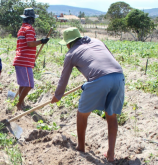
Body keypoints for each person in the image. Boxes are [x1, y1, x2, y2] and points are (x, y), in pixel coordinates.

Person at [50, 27, 125, 162]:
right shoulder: (97, 41)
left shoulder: (71, 53)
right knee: (111, 115)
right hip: (118, 76)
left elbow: (64, 78)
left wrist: (57, 96)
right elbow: (105, 61)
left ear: (68, 43)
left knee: (82, 113)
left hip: (99, 79)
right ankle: (111, 155)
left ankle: (80, 147)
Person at [13, 8, 49, 110]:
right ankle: (19, 104)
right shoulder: (29, 29)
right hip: (24, 61)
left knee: (23, 84)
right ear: (31, 19)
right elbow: (30, 43)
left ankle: (22, 103)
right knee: (29, 85)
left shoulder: (21, 29)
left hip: (20, 60)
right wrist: (41, 41)